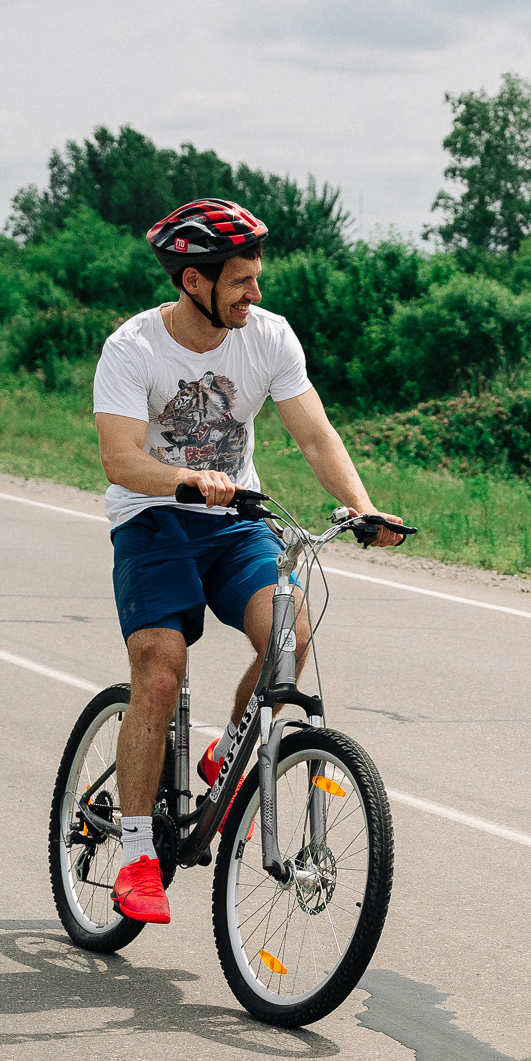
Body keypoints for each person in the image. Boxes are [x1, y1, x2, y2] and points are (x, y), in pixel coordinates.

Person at [92, 197, 408, 925]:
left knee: (289, 635)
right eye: (240, 280)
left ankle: (229, 753)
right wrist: (184, 478)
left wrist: (362, 507)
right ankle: (137, 854)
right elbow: (119, 458)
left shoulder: (269, 336)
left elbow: (315, 436)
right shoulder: (133, 348)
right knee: (160, 669)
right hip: (153, 519)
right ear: (194, 280)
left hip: (235, 522)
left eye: (255, 277)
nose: (254, 293)